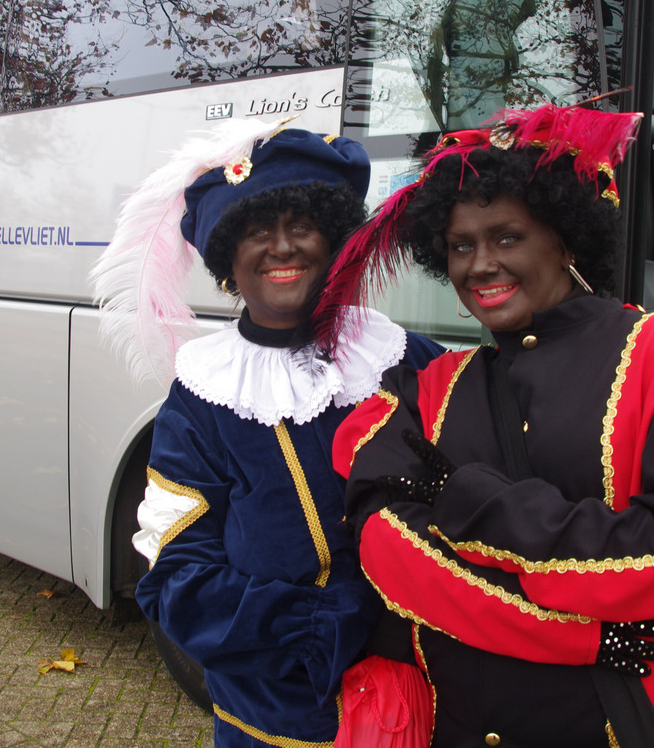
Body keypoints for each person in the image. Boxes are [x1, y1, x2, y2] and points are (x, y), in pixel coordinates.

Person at [313, 104, 654, 747]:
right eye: (461, 245)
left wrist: (477, 507)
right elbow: (390, 551)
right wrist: (581, 633)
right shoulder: (431, 386)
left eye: (507, 238)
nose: (479, 265)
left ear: (568, 238)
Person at [89, 122, 444, 747]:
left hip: (421, 707)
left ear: (333, 239)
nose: (282, 247)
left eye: (301, 225)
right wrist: (338, 624)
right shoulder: (202, 396)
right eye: (256, 231)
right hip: (274, 723)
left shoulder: (406, 359)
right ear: (229, 258)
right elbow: (178, 577)